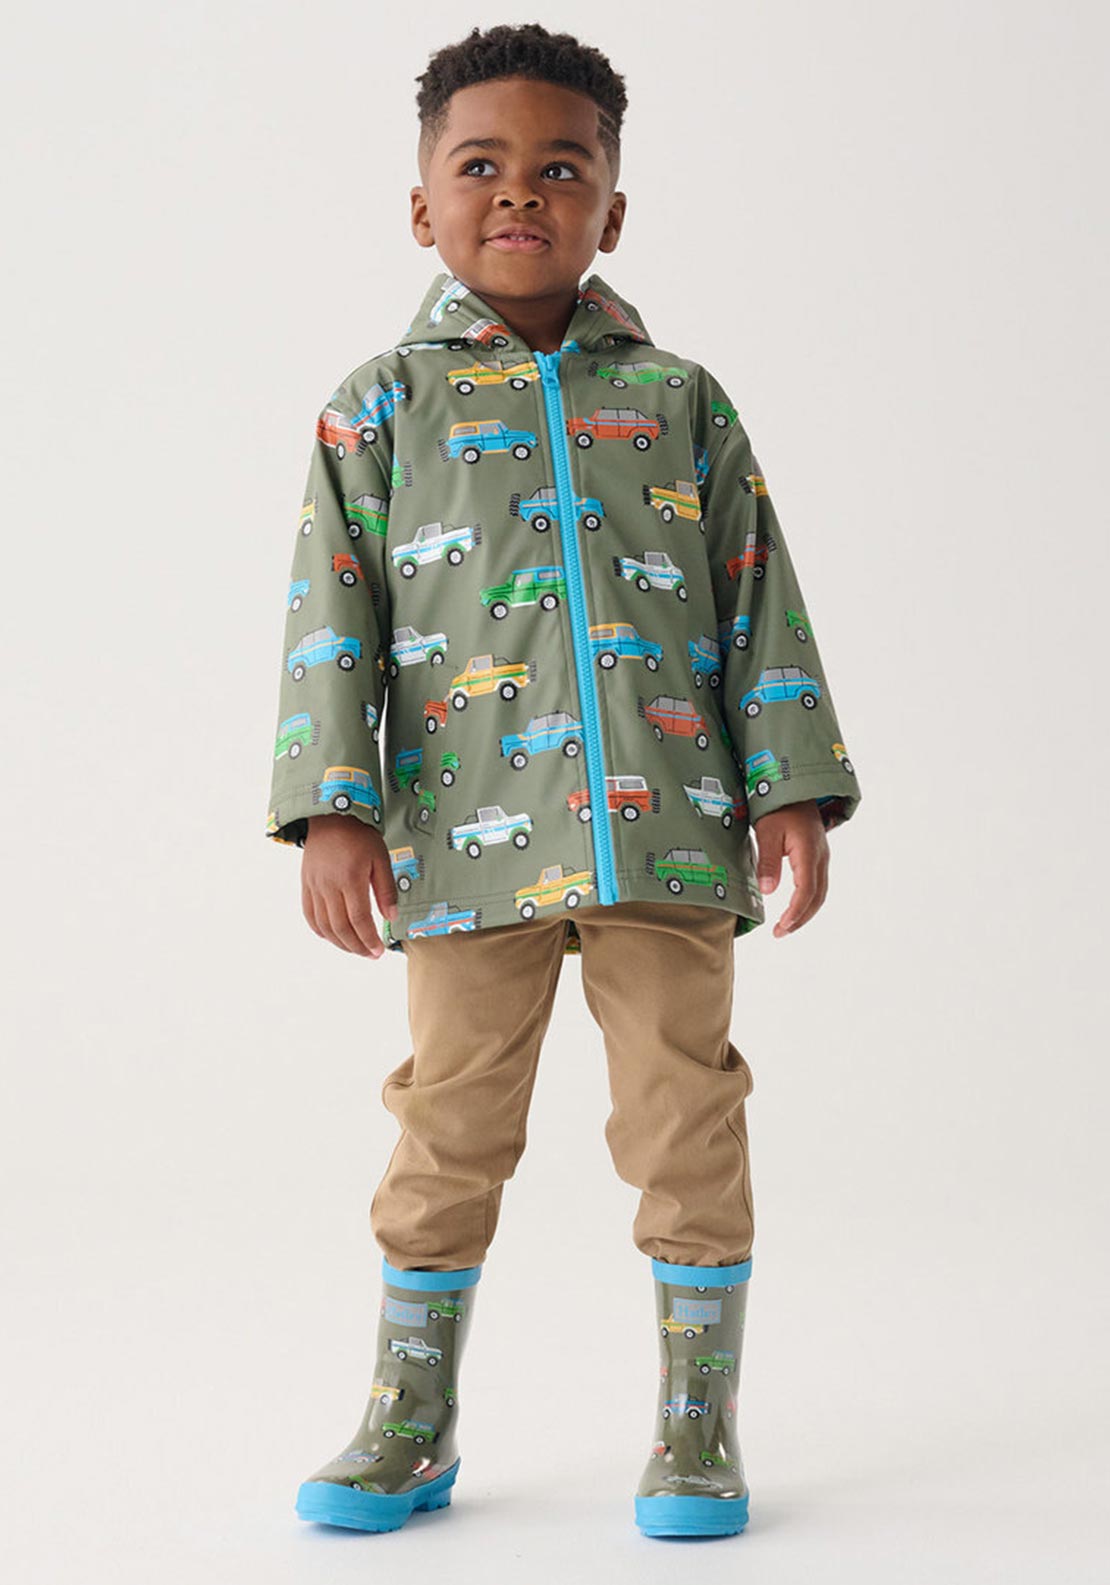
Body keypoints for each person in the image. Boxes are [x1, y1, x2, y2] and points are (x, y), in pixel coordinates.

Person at [265, 21, 862, 1541]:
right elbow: (334, 612)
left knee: (686, 1119)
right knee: (446, 1123)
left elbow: (758, 596)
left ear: (612, 206)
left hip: (672, 834)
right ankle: (409, 1416)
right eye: (481, 165)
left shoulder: (680, 400)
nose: (520, 192)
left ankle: (694, 1422)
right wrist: (333, 807)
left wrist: (790, 784)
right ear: (423, 205)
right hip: (465, 850)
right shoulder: (378, 410)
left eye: (561, 168)